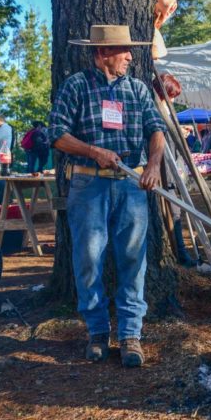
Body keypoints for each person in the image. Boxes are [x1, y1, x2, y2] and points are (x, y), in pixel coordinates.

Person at [48, 24, 167, 368]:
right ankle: (97, 332)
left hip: (132, 185)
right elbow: (56, 135)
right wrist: (92, 151)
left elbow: (156, 130)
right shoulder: (77, 86)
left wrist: (154, 165)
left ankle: (131, 335)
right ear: (102, 54)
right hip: (89, 185)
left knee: (133, 261)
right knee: (88, 260)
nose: (131, 56)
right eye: (123, 50)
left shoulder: (138, 90)